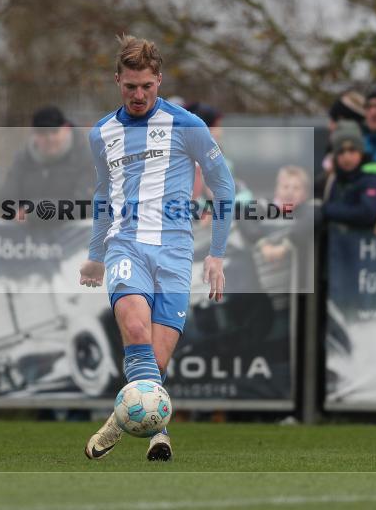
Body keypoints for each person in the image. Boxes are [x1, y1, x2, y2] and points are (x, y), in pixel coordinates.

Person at [79, 35, 235, 462]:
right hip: (125, 245)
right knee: (135, 331)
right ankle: (159, 433)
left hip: (175, 252)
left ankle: (120, 422)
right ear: (117, 80)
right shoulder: (101, 133)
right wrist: (96, 254)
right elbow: (102, 193)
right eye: (131, 86)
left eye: (147, 86)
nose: (139, 95)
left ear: (159, 80)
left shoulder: (187, 125)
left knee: (155, 361)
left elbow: (223, 187)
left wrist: (216, 254)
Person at [0, 106, 94, 221]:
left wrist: (35, 212)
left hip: (75, 232)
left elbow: (86, 204)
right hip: (29, 231)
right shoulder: (22, 159)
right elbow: (7, 198)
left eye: (54, 131)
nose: (49, 138)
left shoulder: (86, 158)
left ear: (66, 129)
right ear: (34, 134)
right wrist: (16, 212)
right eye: (42, 133)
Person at [319, 121, 376, 228]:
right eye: (341, 152)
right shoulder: (333, 178)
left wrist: (325, 210)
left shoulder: (372, 178)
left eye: (352, 150)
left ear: (361, 152)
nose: (347, 157)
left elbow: (367, 213)